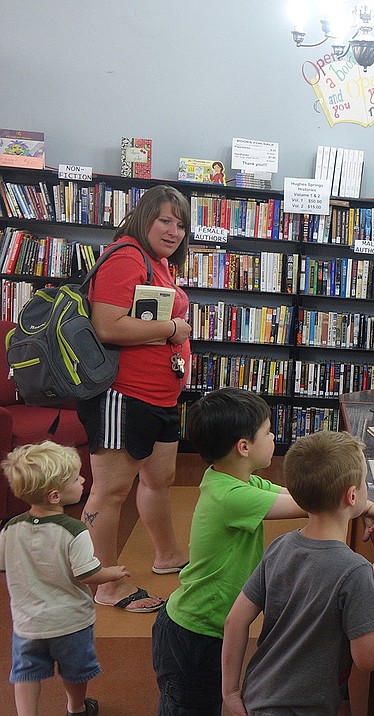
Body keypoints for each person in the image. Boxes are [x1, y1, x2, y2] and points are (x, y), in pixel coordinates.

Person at [152, 388, 374, 716]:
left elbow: (312, 493)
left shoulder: (239, 482)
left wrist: (363, 504)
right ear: (244, 447)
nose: (274, 437)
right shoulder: (233, 497)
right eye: (269, 432)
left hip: (209, 626)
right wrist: (362, 504)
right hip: (195, 631)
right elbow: (312, 499)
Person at [221, 430, 374, 716]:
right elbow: (368, 658)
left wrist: (230, 691)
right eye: (365, 481)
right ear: (352, 496)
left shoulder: (280, 546)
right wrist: (371, 590)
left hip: (257, 697)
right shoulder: (355, 572)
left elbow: (234, 621)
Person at [77, 185, 192, 613]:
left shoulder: (160, 263)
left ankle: (167, 555)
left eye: (180, 224)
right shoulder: (127, 256)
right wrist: (171, 330)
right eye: (165, 220)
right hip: (123, 396)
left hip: (160, 396)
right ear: (145, 218)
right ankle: (104, 583)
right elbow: (108, 326)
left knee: (158, 479)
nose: (174, 230)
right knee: (109, 491)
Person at [0, 442, 130, 716]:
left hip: (27, 623)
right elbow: (87, 574)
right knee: (74, 669)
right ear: (55, 496)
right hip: (70, 621)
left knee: (26, 672)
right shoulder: (74, 531)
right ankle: (76, 707)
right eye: (75, 478)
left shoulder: (10, 528)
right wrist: (112, 573)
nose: (82, 480)